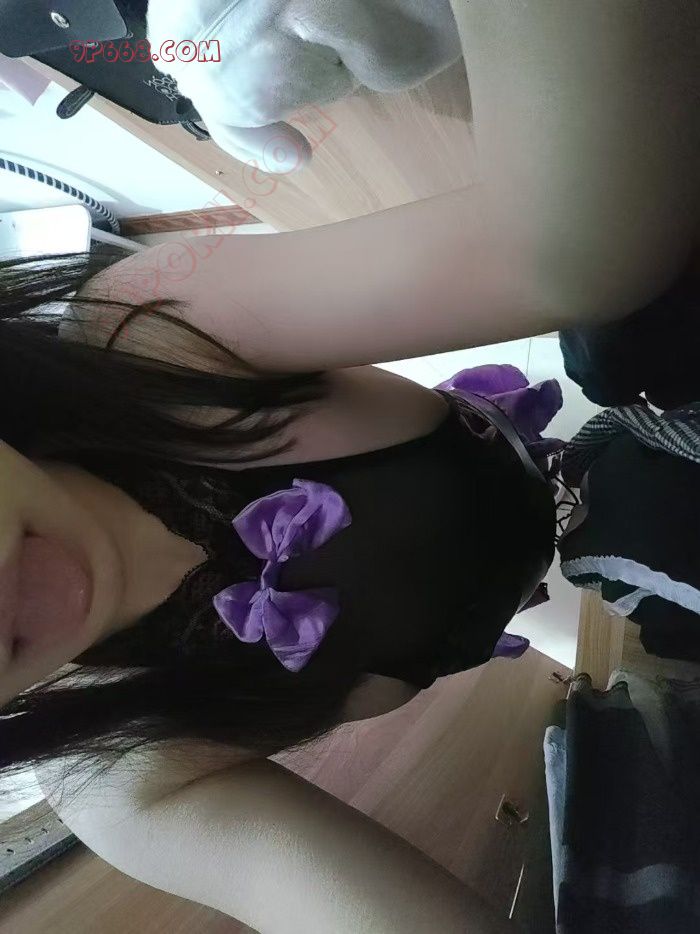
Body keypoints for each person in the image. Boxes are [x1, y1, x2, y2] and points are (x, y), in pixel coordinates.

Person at [1, 2, 698, 931]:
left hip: (554, 437)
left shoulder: (148, 337)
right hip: (585, 558)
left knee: (627, 353)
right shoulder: (124, 774)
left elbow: (557, 249)